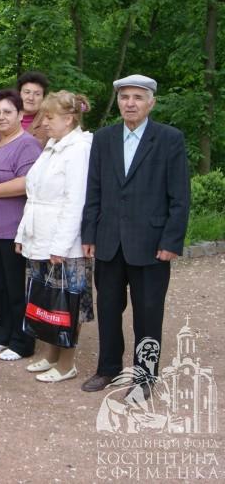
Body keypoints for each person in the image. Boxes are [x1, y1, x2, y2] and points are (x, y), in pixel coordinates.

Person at [80, 74, 190, 393]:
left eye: (138, 97)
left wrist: (171, 240)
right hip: (109, 242)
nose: (130, 103)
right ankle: (108, 369)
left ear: (151, 103)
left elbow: (180, 197)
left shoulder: (169, 139)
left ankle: (144, 377)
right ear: (118, 102)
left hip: (151, 244)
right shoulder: (104, 138)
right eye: (124, 97)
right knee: (108, 309)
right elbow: (94, 190)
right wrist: (89, 234)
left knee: (148, 313)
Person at [14, 91, 94, 382]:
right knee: (46, 299)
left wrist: (60, 245)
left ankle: (67, 362)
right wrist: (23, 233)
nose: (43, 122)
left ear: (69, 119)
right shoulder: (52, 146)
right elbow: (34, 194)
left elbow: (75, 201)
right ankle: (50, 354)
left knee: (67, 301)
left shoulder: (79, 149)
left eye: (49, 117)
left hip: (64, 242)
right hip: (40, 235)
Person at [0, 89, 42, 361]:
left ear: (20, 114)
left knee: (15, 288)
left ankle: (22, 342)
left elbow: (28, 182)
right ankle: (4, 335)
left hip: (13, 229)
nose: (1, 117)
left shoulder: (27, 144)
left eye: (7, 112)